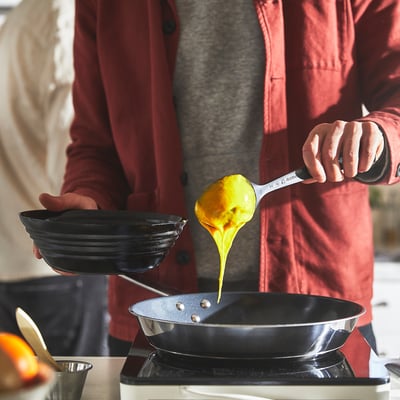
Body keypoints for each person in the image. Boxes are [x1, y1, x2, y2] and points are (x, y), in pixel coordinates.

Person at [35, 1, 400, 356]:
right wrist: (88, 203)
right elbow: (95, 145)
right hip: (158, 313)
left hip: (318, 310)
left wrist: (379, 135)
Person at [0, 0, 108, 356]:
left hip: (11, 261)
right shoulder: (64, 21)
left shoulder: (21, 18)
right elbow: (70, 172)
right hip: (52, 269)